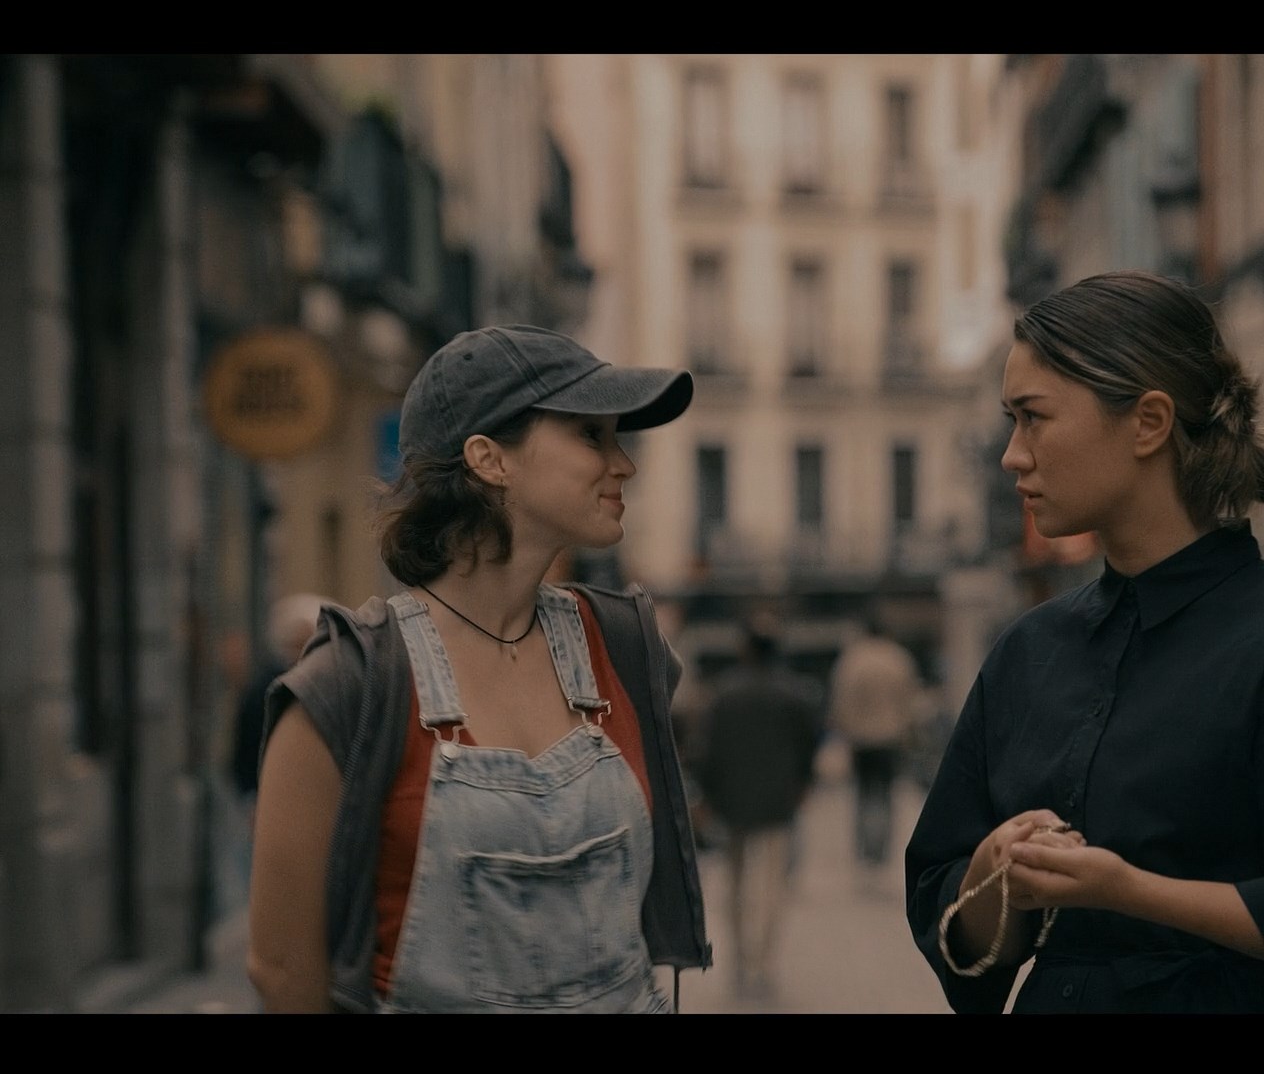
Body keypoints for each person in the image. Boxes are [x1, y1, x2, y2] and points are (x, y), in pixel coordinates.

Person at [903, 270, 1264, 1014]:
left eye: (1034, 418)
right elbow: (952, 928)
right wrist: (995, 870)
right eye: (1010, 421)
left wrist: (1130, 891)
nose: (1012, 455)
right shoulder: (1029, 651)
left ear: (1148, 422)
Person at [247, 324, 710, 1013]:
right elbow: (283, 971)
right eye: (592, 436)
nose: (624, 465)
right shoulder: (348, 686)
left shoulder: (623, 646)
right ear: (489, 459)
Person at [691, 623, 824, 1000]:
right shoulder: (794, 693)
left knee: (734, 884)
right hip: (777, 801)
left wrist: (706, 796)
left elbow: (706, 749)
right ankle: (763, 963)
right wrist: (803, 784)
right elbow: (809, 746)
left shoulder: (724, 694)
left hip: (731, 800)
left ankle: (739, 958)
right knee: (771, 886)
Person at [226, 591, 327, 903]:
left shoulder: (329, 686)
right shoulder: (264, 689)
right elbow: (242, 749)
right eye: (295, 643)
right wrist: (251, 799)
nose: (301, 651)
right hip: (267, 795)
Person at [828, 611, 925, 883]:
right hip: (891, 736)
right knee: (885, 794)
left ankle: (865, 850)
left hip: (861, 739)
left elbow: (841, 701)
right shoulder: (898, 658)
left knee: (862, 794)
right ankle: (880, 850)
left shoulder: (852, 660)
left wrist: (845, 730)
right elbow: (910, 701)